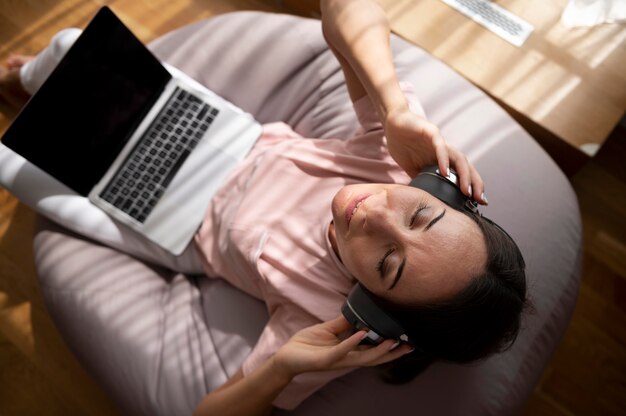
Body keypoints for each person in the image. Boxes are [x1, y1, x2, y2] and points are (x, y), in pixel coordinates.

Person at [0, 0, 527, 415]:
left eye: (388, 263)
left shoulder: (328, 319)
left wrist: (280, 369)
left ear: (373, 309)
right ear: (445, 193)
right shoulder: (397, 162)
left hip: (176, 229)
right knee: (69, 44)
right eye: (421, 215)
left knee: (10, 169)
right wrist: (391, 107)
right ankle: (20, 83)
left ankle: (33, 89)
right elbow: (341, 6)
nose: (375, 215)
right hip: (218, 137)